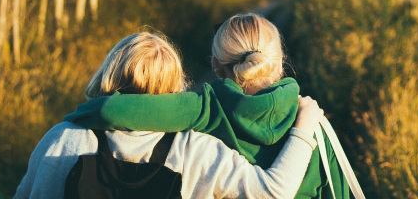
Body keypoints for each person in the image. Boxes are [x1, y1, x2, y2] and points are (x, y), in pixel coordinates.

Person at [65, 13, 356, 198]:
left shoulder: (206, 107)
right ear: (279, 65)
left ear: (216, 67)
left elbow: (106, 111)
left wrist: (74, 117)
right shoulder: (311, 122)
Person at [14, 31, 325, 199]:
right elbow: (274, 192)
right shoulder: (196, 149)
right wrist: (305, 126)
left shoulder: (63, 139)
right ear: (177, 85)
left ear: (108, 73)